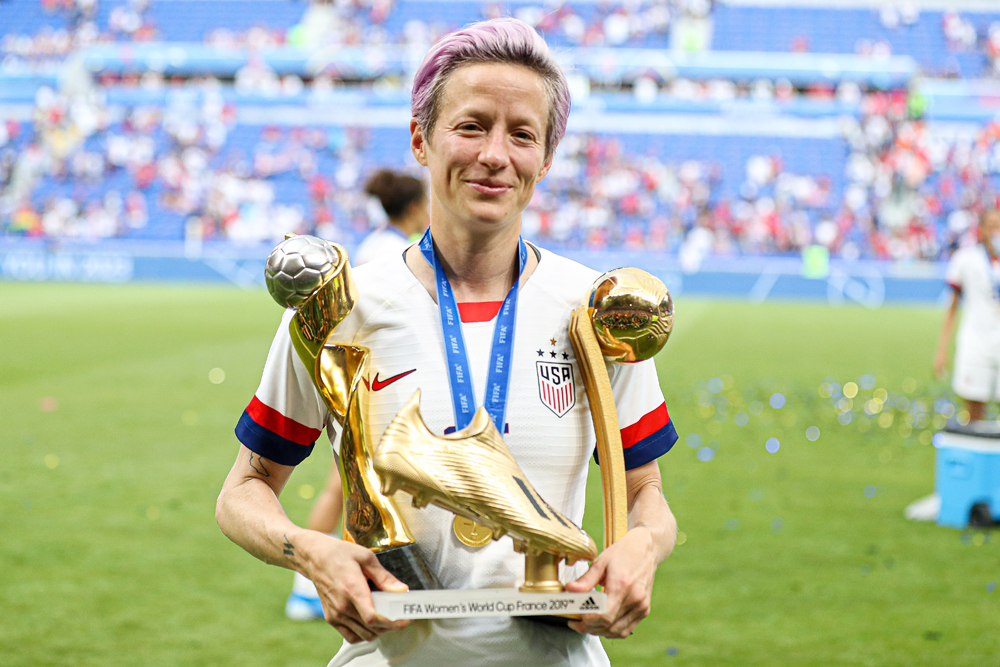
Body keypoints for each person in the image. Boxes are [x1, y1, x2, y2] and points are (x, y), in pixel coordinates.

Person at [216, 18, 678, 667]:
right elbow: (245, 488)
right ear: (421, 139)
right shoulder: (339, 308)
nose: (495, 154)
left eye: (522, 134)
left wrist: (642, 547)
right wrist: (309, 549)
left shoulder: (597, 311)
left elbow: (645, 494)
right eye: (471, 125)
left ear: (545, 158)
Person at [284, 169, 429, 621]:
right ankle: (307, 586)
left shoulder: (376, 244)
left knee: (354, 490)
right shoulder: (394, 252)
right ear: (414, 207)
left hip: (368, 382)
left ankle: (316, 585)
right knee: (345, 488)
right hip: (370, 387)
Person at [935, 209, 1000, 422]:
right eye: (991, 226)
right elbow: (951, 309)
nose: (995, 231)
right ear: (981, 229)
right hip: (975, 345)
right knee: (974, 414)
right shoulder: (965, 259)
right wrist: (942, 350)